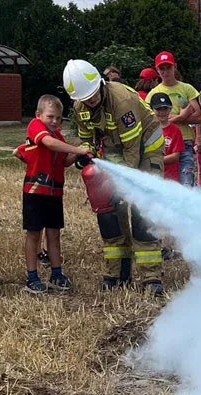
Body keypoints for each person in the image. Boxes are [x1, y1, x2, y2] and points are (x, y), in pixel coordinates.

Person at [66, 58, 167, 295]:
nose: (90, 101)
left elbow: (133, 149)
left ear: (100, 85)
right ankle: (117, 273)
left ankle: (151, 277)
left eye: (93, 95)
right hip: (115, 151)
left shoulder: (122, 100)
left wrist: (125, 182)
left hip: (146, 149)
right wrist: (86, 152)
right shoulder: (80, 106)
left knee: (143, 212)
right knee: (111, 210)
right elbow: (86, 137)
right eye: (85, 99)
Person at [14, 94, 89, 294]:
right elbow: (48, 144)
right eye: (50, 117)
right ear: (38, 115)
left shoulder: (59, 137)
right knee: (33, 233)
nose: (55, 121)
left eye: (58, 118)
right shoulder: (35, 126)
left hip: (55, 192)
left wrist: (82, 152)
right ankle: (32, 277)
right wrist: (77, 149)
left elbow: (64, 161)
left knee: (54, 233)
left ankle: (57, 274)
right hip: (35, 190)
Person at [147, 51, 200, 187]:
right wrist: (182, 117)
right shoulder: (153, 93)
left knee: (186, 184)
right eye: (162, 69)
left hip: (185, 141)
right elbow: (150, 119)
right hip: (162, 143)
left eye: (168, 67)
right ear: (157, 70)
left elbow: (198, 116)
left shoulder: (186, 88)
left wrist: (173, 119)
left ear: (175, 67)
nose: (165, 72)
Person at [151, 93, 184, 181]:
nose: (162, 112)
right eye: (158, 109)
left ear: (170, 109)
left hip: (170, 178)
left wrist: (156, 160)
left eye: (165, 109)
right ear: (152, 109)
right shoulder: (148, 129)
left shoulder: (176, 130)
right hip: (152, 175)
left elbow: (175, 156)